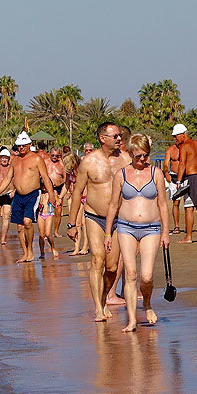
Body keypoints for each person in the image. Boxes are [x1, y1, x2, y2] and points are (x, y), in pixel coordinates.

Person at [104, 134, 170, 332]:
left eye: (146, 155)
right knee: (130, 273)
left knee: (147, 276)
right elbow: (113, 205)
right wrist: (108, 234)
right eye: (139, 156)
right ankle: (132, 320)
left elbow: (163, 205)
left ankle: (147, 304)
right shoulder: (121, 175)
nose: (143, 159)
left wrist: (166, 233)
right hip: (126, 227)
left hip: (151, 228)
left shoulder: (155, 173)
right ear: (131, 153)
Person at [69, 122, 130, 321]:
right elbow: (77, 193)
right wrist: (71, 224)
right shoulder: (89, 161)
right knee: (97, 259)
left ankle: (104, 297)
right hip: (94, 216)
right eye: (116, 136)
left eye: (120, 136)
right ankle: (97, 307)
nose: (120, 139)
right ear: (103, 138)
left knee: (112, 267)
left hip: (119, 219)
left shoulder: (126, 160)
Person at [0, 132, 57, 263]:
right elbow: (8, 178)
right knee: (19, 227)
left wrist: (51, 195)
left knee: (27, 222)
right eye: (19, 146)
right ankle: (25, 253)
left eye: (23, 146)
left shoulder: (37, 159)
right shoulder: (15, 160)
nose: (21, 148)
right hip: (18, 196)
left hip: (32, 194)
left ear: (29, 145)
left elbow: (45, 177)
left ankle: (31, 252)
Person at [169, 123, 197, 243]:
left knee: (189, 207)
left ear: (183, 135)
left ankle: (188, 236)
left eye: (176, 136)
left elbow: (182, 164)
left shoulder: (184, 146)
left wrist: (178, 180)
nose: (174, 139)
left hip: (192, 178)